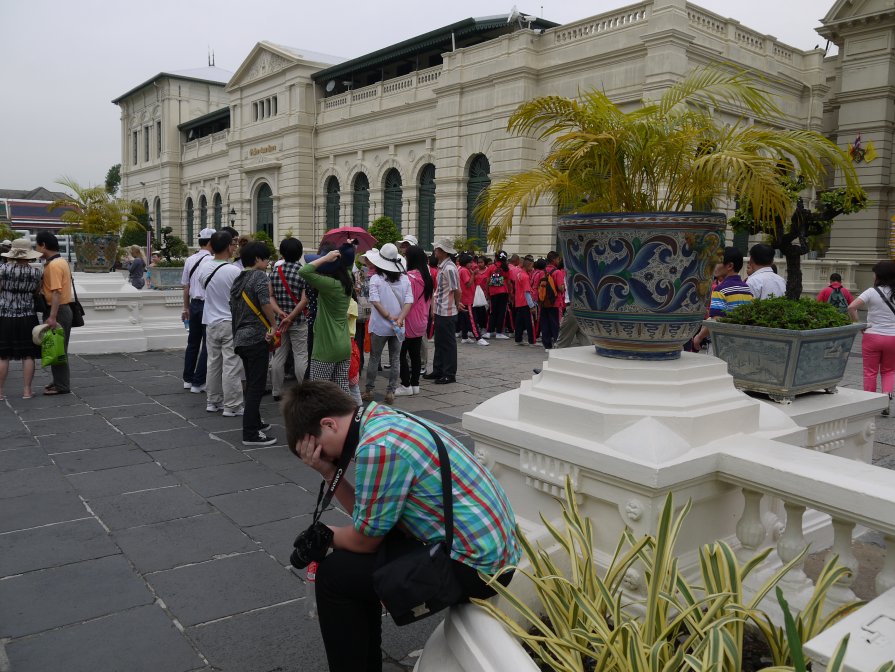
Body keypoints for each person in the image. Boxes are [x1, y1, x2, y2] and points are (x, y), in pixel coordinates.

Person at [282, 379, 520, 672]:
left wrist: (327, 536)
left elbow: (364, 539)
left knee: (334, 577)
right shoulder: (381, 419)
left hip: (478, 567)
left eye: (320, 450)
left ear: (329, 424)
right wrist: (328, 471)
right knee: (351, 566)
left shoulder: (377, 447)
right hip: (492, 548)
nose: (326, 457)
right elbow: (369, 519)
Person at [229, 241, 278, 446]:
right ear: (257, 259)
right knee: (256, 386)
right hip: (256, 337)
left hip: (241, 337)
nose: (268, 262)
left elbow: (234, 309)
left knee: (251, 383)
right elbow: (265, 302)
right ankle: (250, 433)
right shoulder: (259, 276)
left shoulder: (239, 278)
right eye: (266, 258)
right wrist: (274, 325)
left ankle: (256, 422)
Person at [197, 231, 244, 416]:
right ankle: (232, 405)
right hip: (229, 321)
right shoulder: (234, 271)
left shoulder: (204, 268)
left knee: (213, 363)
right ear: (227, 247)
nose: (234, 248)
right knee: (231, 365)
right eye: (233, 245)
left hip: (210, 321)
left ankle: (213, 400)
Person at [299, 244, 353, 395]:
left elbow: (304, 271)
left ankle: (321, 418)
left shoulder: (330, 285)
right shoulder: (347, 280)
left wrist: (325, 258)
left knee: (318, 392)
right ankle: (347, 416)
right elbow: (348, 265)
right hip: (343, 344)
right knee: (341, 390)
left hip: (326, 348)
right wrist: (347, 249)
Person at [362, 243, 412, 404]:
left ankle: (369, 390)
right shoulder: (405, 279)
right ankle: (390, 392)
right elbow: (409, 301)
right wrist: (400, 319)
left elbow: (375, 301)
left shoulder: (376, 279)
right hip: (398, 326)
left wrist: (389, 317)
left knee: (374, 358)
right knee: (395, 359)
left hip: (380, 326)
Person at [848, 260, 895, 416]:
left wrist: (859, 324)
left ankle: (869, 404)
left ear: (879, 276)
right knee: (889, 371)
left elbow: (852, 307)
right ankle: (885, 400)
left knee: (870, 372)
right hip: (892, 338)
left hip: (872, 336)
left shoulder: (871, 292)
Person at [0, 238, 43, 400]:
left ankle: (0, 392)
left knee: (3, 356)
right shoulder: (36, 272)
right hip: (27, 316)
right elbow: (37, 292)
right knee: (28, 355)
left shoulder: (2, 269)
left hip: (5, 315)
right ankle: (27, 391)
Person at [269, 237, 309, 401]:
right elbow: (304, 300)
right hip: (298, 321)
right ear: (300, 254)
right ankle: (303, 390)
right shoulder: (303, 273)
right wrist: (291, 317)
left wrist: (280, 313)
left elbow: (270, 296)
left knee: (278, 356)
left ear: (282, 253)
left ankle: (276, 391)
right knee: (300, 355)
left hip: (279, 322)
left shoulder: (274, 272)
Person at [691, 247, 753, 351]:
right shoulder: (746, 288)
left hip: (721, 344)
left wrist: (699, 337)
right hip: (741, 343)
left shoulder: (721, 289)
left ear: (729, 266)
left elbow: (716, 320)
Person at [35, 231, 73, 396]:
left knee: (57, 349)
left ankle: (62, 385)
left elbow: (56, 292)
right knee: (56, 347)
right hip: (63, 309)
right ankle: (58, 381)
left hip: (57, 310)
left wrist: (52, 316)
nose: (36, 248)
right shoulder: (61, 261)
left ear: (43, 245)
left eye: (37, 245)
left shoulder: (53, 265)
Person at [424, 238, 463, 385]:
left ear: (442, 251)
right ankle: (438, 369)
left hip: (447, 311)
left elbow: (456, 289)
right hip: (441, 310)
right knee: (440, 342)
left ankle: (449, 373)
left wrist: (457, 305)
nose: (434, 252)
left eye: (436, 249)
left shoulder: (450, 268)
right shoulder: (443, 266)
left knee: (448, 344)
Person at [181, 228, 215, 393]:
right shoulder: (211, 261)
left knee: (192, 343)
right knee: (208, 344)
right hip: (206, 305)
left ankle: (187, 378)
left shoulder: (190, 259)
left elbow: (186, 287)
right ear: (210, 242)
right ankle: (198, 381)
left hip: (194, 304)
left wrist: (185, 307)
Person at [396, 245, 433, 396]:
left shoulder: (408, 278)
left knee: (402, 353)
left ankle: (405, 384)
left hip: (409, 319)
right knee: (415, 354)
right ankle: (415, 384)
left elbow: (405, 300)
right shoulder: (427, 277)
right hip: (422, 320)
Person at [457, 253, 487, 346]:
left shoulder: (464, 269)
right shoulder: (464, 271)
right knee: (472, 319)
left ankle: (465, 337)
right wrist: (473, 275)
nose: (472, 264)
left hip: (466, 298)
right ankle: (478, 337)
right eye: (470, 262)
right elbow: (468, 284)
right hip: (467, 298)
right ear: (466, 263)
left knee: (464, 319)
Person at [539, 251, 566, 349]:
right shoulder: (557, 272)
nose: (559, 261)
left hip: (543, 302)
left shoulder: (542, 271)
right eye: (558, 259)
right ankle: (557, 343)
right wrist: (564, 286)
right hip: (554, 302)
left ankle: (547, 345)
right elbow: (560, 288)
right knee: (555, 324)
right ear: (554, 260)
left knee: (545, 324)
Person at [510, 253, 535, 345]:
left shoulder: (519, 274)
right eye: (531, 266)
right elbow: (527, 292)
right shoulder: (525, 276)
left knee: (519, 322)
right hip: (525, 302)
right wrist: (531, 305)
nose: (532, 268)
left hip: (519, 302)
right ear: (528, 265)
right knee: (530, 323)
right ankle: (532, 341)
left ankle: (518, 339)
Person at [485, 251, 511, 339]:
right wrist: (510, 294)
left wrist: (487, 292)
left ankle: (489, 331)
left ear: (495, 258)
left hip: (493, 292)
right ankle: (499, 332)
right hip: (504, 292)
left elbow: (488, 281)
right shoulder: (506, 268)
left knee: (492, 312)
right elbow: (508, 282)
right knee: (501, 312)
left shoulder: (491, 267)